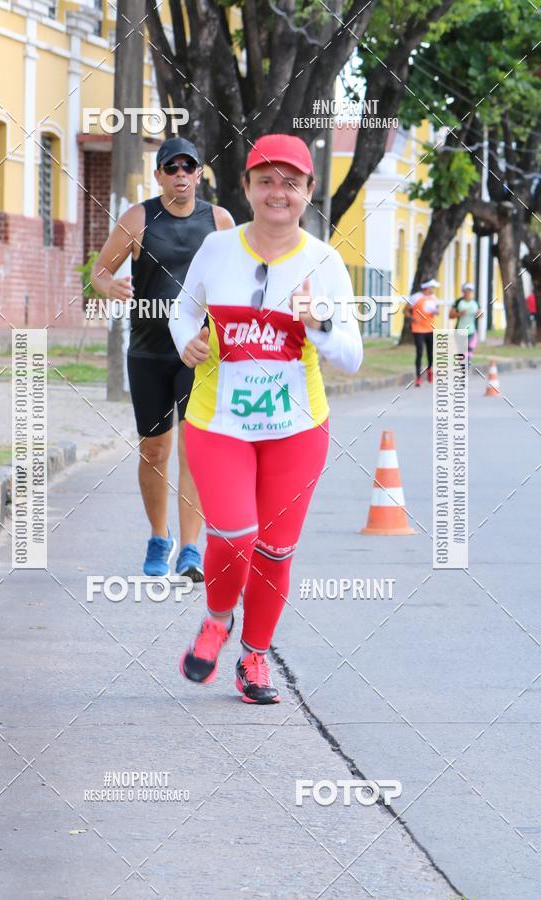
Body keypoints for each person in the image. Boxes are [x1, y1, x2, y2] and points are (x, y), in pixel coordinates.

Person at [169, 134, 363, 704]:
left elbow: (351, 356)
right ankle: (216, 620)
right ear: (248, 187)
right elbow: (183, 308)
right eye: (266, 180)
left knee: (276, 551)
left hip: (297, 431)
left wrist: (318, 323)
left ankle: (254, 658)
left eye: (292, 183)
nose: (278, 192)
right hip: (218, 422)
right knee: (233, 535)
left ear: (308, 192)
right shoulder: (218, 249)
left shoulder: (324, 263)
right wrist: (188, 342)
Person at [91, 137, 235, 579]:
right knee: (155, 448)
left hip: (199, 352)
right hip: (149, 351)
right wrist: (110, 286)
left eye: (187, 167)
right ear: (158, 176)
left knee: (194, 450)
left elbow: (235, 284)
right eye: (170, 168)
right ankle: (159, 537)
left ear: (198, 174)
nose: (179, 175)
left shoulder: (220, 221)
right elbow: (100, 271)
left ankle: (191, 549)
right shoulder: (139, 218)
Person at [407, 279, 439, 386]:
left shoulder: (434, 298)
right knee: (419, 352)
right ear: (426, 287)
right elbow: (405, 311)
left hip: (430, 328)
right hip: (418, 329)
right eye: (432, 287)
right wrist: (412, 318)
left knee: (431, 352)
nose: (433, 289)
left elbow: (437, 310)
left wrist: (436, 311)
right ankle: (418, 377)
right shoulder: (416, 297)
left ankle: (430, 370)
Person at [449, 281, 482, 364]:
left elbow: (481, 315)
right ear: (463, 291)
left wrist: (479, 314)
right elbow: (450, 315)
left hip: (471, 330)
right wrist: (460, 314)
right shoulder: (458, 302)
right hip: (460, 330)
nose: (468, 292)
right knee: (461, 350)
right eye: (466, 290)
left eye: (470, 291)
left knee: (469, 348)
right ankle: (461, 366)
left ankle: (466, 364)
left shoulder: (475, 303)